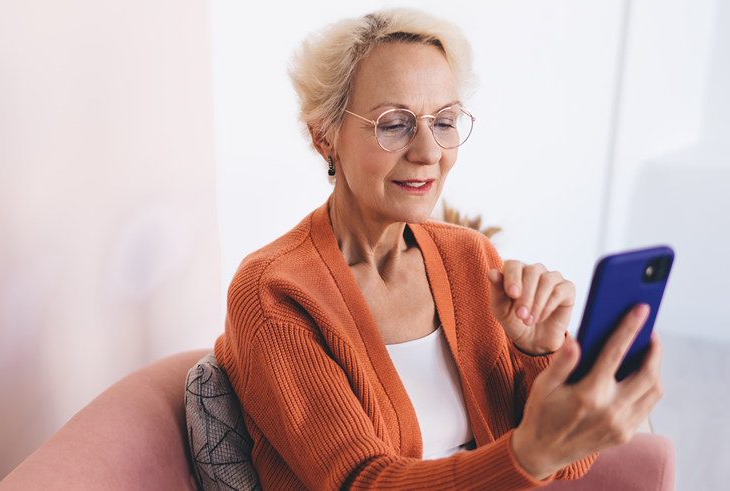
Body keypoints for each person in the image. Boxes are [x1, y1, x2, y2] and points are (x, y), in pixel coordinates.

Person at [213, 8, 664, 490]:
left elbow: (560, 466)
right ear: (324, 136)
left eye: (444, 121)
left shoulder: (471, 258)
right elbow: (360, 483)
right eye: (394, 123)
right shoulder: (274, 292)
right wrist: (529, 454)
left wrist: (539, 354)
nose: (429, 151)